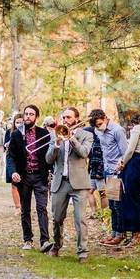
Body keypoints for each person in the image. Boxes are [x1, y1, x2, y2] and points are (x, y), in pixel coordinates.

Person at [45, 107, 95, 261]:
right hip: (60, 183)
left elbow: (84, 153)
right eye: (64, 117)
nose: (66, 120)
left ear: (76, 118)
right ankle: (57, 245)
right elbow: (48, 159)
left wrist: (71, 138)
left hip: (79, 184)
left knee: (80, 219)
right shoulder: (56, 135)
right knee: (57, 218)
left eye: (69, 117)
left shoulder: (86, 135)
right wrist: (57, 144)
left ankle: (82, 252)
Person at [7, 105, 52, 252]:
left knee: (42, 208)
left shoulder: (44, 133)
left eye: (31, 114)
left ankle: (45, 241)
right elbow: (10, 156)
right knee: (25, 209)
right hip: (24, 176)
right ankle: (28, 239)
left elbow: (50, 157)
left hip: (40, 175)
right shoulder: (16, 134)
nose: (27, 116)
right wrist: (13, 172)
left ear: (36, 117)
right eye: (26, 114)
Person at [88, 109, 128, 247]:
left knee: (117, 204)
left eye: (100, 123)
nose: (99, 127)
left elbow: (125, 152)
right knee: (111, 204)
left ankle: (120, 234)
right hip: (106, 171)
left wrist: (120, 165)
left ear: (105, 118)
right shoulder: (98, 131)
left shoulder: (117, 130)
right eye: (96, 126)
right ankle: (114, 232)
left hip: (116, 172)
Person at [116, 113, 140, 246]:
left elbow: (130, 149)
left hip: (134, 163)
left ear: (135, 122)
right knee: (138, 198)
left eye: (132, 124)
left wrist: (122, 163)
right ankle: (139, 232)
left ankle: (134, 234)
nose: (131, 127)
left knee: (130, 198)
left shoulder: (137, 129)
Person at [83, 120, 107, 215]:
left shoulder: (99, 141)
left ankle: (104, 214)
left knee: (102, 193)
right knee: (89, 191)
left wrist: (100, 172)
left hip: (99, 170)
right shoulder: (91, 142)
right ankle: (94, 213)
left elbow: (102, 158)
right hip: (92, 169)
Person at [3, 114, 23, 215]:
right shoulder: (9, 132)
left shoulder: (27, 133)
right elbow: (5, 144)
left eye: (21, 122)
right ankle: (17, 207)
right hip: (12, 159)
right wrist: (7, 144)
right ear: (14, 123)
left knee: (24, 184)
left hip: (23, 160)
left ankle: (24, 205)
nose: (19, 124)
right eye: (17, 122)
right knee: (14, 184)